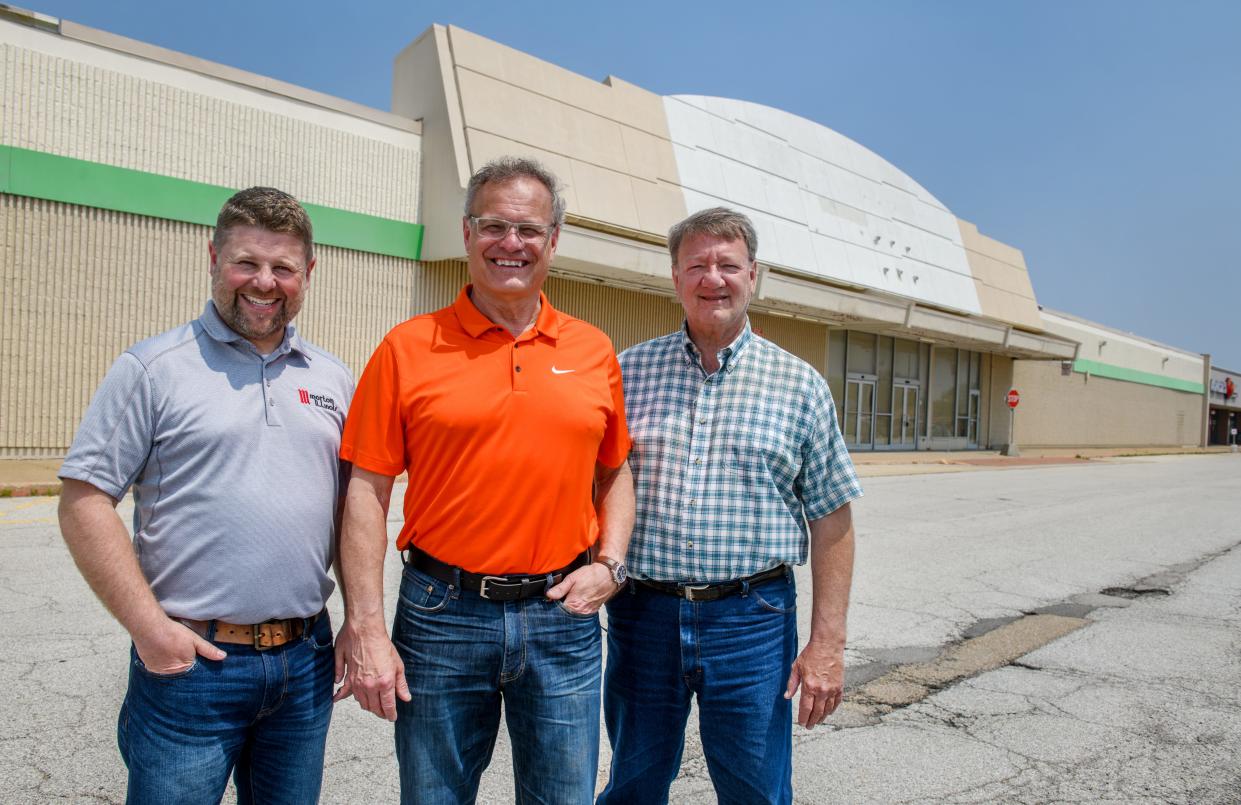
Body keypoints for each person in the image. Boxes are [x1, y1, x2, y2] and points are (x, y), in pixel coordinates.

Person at [334, 156, 634, 804]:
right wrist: (365, 626)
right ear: (466, 233)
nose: (511, 243)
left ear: (553, 240)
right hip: (442, 615)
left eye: (528, 229)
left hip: (562, 616)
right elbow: (365, 491)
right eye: (493, 225)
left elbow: (614, 472)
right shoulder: (407, 347)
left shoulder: (592, 351)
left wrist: (610, 563)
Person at [57, 187, 353, 804]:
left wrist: (361, 623)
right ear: (213, 256)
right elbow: (84, 500)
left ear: (308, 273)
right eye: (247, 262)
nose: (264, 282)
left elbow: (354, 510)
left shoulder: (331, 378)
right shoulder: (153, 368)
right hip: (193, 665)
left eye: (283, 268)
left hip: (304, 661)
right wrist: (148, 629)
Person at [597, 207, 863, 805]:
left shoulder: (800, 385)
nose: (711, 278)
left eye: (727, 265)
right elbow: (597, 484)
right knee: (634, 784)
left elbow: (833, 521)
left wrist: (827, 644)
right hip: (645, 617)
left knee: (755, 790)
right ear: (675, 277)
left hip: (752, 620)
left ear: (753, 276)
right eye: (697, 265)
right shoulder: (627, 372)